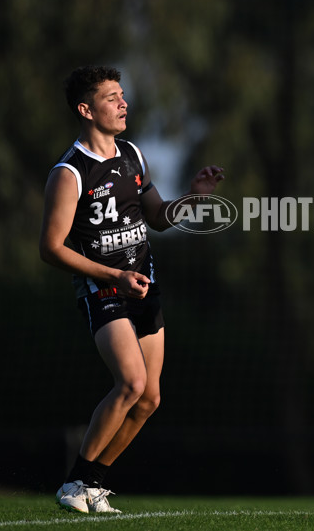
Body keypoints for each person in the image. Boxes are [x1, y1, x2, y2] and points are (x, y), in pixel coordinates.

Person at [39, 65, 224, 514]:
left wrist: (194, 196)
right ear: (86, 109)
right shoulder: (69, 173)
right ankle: (73, 483)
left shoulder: (133, 155)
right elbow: (50, 248)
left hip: (144, 286)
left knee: (150, 398)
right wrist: (112, 276)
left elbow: (159, 217)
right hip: (104, 292)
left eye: (123, 95)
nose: (123, 104)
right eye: (111, 98)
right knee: (131, 381)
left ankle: (93, 485)